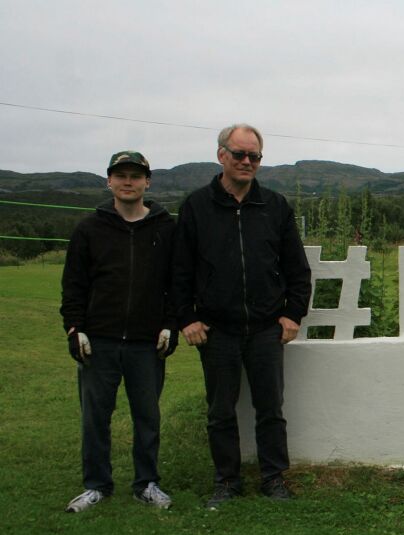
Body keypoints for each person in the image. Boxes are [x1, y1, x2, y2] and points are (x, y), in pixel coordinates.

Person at [172, 123, 312, 509]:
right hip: (217, 329)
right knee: (220, 411)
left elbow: (297, 270)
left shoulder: (275, 206)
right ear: (221, 156)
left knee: (270, 408)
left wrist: (292, 314)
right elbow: (179, 271)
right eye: (240, 154)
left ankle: (273, 478)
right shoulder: (196, 207)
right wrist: (187, 318)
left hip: (267, 327)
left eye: (255, 156)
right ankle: (227, 481)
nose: (247, 162)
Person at [60, 151, 177, 513]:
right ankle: (96, 485)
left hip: (146, 343)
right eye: (121, 175)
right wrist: (74, 329)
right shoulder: (88, 229)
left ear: (147, 182)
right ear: (109, 181)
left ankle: (147, 483)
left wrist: (170, 324)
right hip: (99, 341)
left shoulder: (166, 229)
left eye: (135, 176)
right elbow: (74, 286)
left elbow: (176, 284)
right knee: (95, 417)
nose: (128, 182)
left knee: (147, 416)